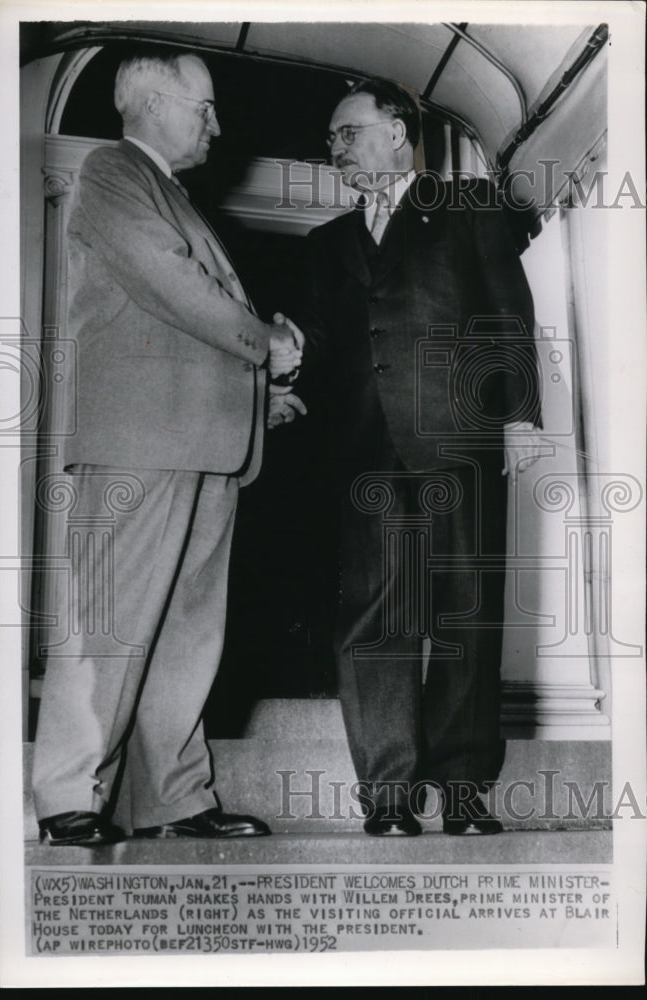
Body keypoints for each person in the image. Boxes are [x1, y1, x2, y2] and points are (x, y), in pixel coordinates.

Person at [32, 48, 304, 847]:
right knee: (113, 623)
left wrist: (260, 398)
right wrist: (267, 346)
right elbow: (173, 283)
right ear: (151, 102)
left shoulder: (169, 193)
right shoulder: (115, 172)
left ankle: (173, 799)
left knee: (188, 636)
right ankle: (67, 793)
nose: (217, 123)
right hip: (142, 443)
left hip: (201, 442)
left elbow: (169, 320)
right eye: (205, 106)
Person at [300, 79, 542, 836]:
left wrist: (521, 418)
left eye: (347, 132)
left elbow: (509, 312)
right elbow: (319, 352)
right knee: (375, 620)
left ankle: (466, 790)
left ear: (397, 132)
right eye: (332, 138)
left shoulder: (468, 208)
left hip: (459, 440)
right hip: (362, 453)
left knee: (466, 615)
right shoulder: (325, 243)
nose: (333, 148)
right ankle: (390, 797)